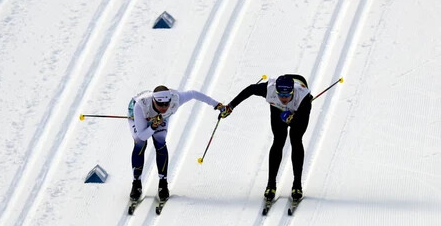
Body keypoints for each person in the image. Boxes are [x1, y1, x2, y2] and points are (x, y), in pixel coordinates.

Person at [218, 74, 313, 203]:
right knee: (279, 140)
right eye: (281, 95)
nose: (284, 98)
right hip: (277, 109)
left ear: (292, 92)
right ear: (276, 91)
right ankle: (271, 184)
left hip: (298, 108)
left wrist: (294, 118)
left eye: (287, 95)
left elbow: (303, 117)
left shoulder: (303, 97)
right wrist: (231, 106)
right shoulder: (270, 90)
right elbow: (251, 89)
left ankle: (297, 184)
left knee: (296, 139)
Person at [128, 85, 225, 202]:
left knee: (160, 142)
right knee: (140, 143)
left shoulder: (176, 99)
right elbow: (143, 135)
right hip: (138, 112)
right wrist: (153, 126)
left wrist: (216, 104)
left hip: (159, 119)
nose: (164, 108)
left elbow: (194, 93)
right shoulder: (140, 106)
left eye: (166, 104)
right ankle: (136, 183)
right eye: (160, 104)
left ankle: (163, 183)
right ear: (154, 101)